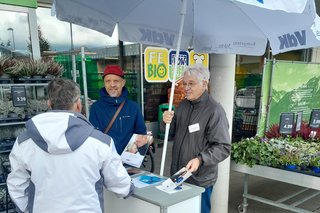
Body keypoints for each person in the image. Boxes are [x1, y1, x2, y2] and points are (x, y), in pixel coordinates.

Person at [7, 78, 134, 213]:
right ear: (78, 104)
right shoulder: (100, 142)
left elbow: (17, 187)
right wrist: (129, 188)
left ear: (49, 104)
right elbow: (120, 185)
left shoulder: (24, 142)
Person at [162, 64, 231, 213]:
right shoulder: (183, 106)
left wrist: (200, 159)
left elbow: (223, 147)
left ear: (204, 84)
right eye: (185, 83)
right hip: (179, 175)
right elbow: (172, 133)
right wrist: (166, 122)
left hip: (200, 180)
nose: (186, 87)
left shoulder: (215, 111)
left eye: (191, 83)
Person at [89, 65, 146, 154]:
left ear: (123, 82)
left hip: (128, 160)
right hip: (105, 161)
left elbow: (141, 133)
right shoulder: (96, 108)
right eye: (108, 81)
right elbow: (95, 137)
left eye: (116, 81)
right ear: (104, 83)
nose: (112, 85)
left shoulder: (133, 107)